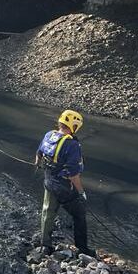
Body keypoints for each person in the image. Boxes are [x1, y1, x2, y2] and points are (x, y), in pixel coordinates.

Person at [35, 109, 95, 258]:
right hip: (64, 187)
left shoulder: (49, 135)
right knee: (79, 215)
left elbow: (39, 154)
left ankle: (45, 245)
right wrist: (81, 193)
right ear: (74, 126)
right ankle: (82, 249)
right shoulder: (72, 145)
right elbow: (73, 175)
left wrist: (38, 164)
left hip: (49, 181)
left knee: (48, 212)